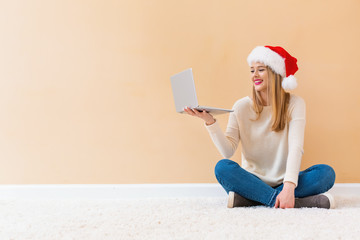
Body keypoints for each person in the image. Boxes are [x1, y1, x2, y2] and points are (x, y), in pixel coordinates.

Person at [184, 46, 336, 209]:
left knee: (326, 173)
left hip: (284, 181)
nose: (254, 75)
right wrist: (210, 122)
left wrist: (289, 187)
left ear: (275, 73)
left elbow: (295, 148)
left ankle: (251, 199)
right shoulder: (241, 106)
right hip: (250, 181)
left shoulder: (295, 104)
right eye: (252, 70)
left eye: (260, 70)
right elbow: (227, 151)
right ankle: (282, 201)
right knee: (222, 168)